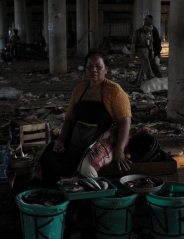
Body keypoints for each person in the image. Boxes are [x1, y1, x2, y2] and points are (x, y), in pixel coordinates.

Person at [39, 50, 132, 187]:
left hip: (106, 139)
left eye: (98, 67)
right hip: (80, 136)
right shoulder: (79, 90)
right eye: (89, 66)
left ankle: (91, 203)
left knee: (87, 167)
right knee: (48, 154)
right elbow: (70, 120)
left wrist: (119, 151)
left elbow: (125, 122)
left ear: (106, 69)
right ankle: (56, 195)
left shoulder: (114, 91)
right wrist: (61, 140)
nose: (93, 70)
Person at [130, 16, 155, 86]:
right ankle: (150, 77)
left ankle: (138, 81)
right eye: (147, 28)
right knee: (146, 61)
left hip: (146, 50)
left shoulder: (150, 32)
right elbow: (133, 43)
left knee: (143, 65)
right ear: (144, 26)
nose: (148, 30)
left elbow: (151, 42)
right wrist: (132, 54)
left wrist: (152, 52)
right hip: (139, 50)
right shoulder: (137, 32)